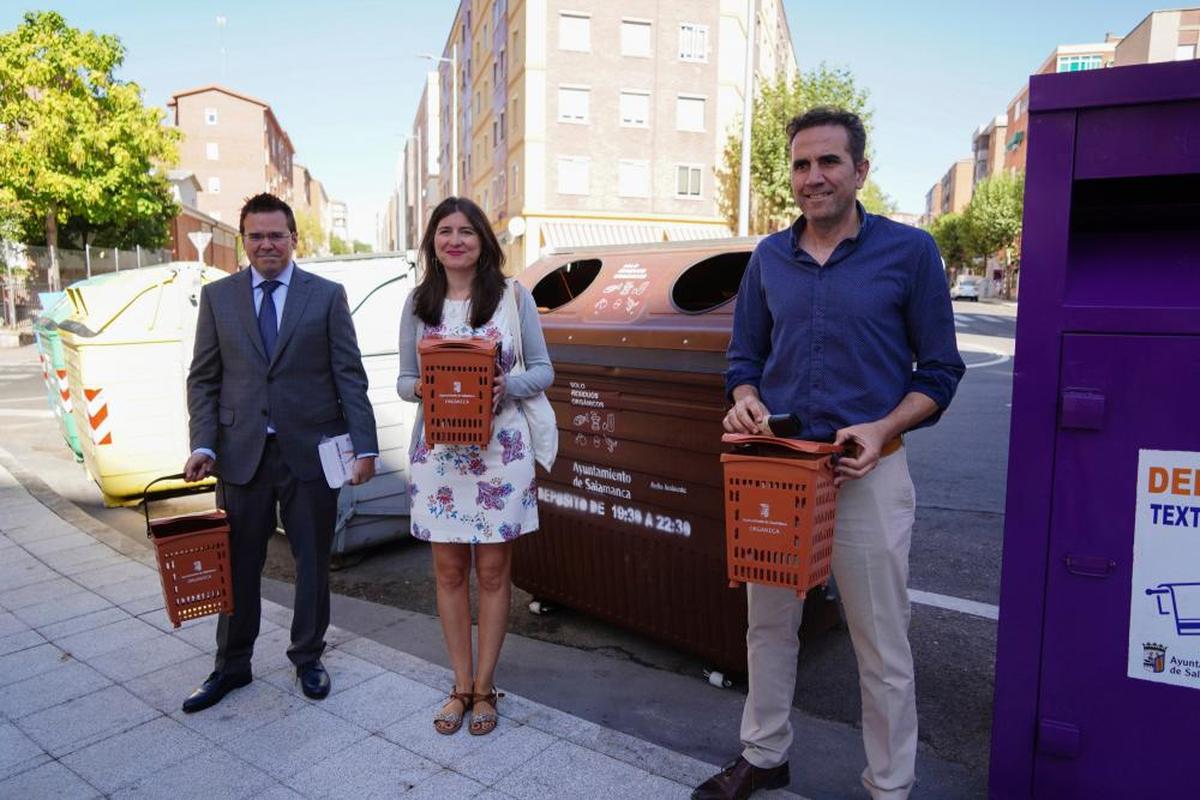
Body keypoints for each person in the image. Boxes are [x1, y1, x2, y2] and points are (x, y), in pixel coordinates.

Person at [693, 108, 964, 800]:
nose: (812, 177)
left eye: (828, 162)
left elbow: (938, 373)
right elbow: (743, 359)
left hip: (868, 471)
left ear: (860, 171)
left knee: (882, 646)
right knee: (769, 627)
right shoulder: (768, 259)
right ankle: (764, 752)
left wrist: (880, 428)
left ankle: (889, 786)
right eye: (801, 164)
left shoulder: (909, 253)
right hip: (779, 472)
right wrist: (745, 396)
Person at [181, 193, 378, 712]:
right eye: (256, 236)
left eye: (276, 235)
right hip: (240, 454)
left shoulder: (326, 296)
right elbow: (204, 379)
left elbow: (349, 377)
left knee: (312, 561)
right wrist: (202, 443)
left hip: (311, 453)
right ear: (243, 241)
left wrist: (366, 448)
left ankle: (308, 656)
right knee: (237, 564)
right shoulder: (219, 298)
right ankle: (231, 666)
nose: (266, 244)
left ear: (295, 240)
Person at [396, 196, 552, 736]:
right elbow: (400, 382)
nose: (455, 239)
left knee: (492, 572)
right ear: (433, 243)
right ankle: (458, 685)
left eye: (467, 230)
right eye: (445, 231)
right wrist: (431, 389)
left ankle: (485, 688)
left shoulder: (513, 297)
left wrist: (500, 385)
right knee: (448, 571)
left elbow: (546, 371)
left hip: (499, 455)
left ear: (484, 241)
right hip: (440, 457)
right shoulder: (419, 303)